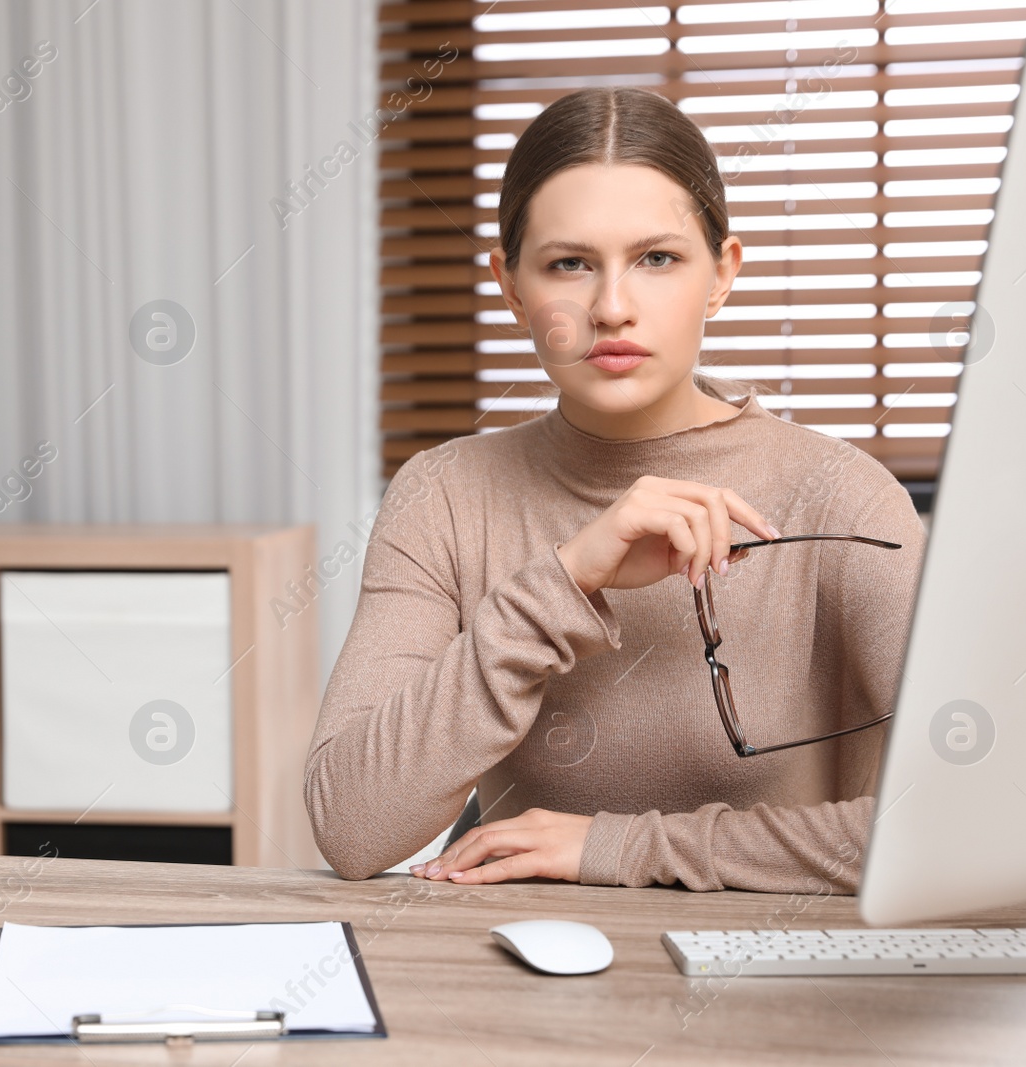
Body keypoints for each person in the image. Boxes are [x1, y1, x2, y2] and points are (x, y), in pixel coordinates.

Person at [303, 86, 927, 893]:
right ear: (510, 285)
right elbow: (352, 826)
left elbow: (982, 822)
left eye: (657, 259)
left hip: (777, 996)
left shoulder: (844, 496)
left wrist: (624, 847)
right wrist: (563, 580)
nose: (612, 308)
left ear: (722, 275)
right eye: (569, 264)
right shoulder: (443, 496)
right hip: (522, 978)